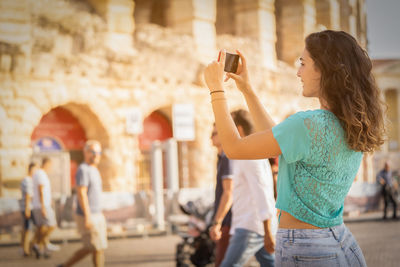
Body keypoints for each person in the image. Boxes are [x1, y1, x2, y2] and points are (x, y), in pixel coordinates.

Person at [204, 30, 385, 266]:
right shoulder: (351, 124)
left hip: (306, 248)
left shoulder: (307, 124)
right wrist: (246, 89)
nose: (298, 72)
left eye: (303, 63)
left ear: (325, 70)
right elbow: (277, 144)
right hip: (340, 241)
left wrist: (216, 90)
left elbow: (235, 148)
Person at [217, 109, 276, 267]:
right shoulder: (248, 153)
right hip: (255, 225)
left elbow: (261, 191)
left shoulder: (249, 156)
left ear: (240, 130)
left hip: (250, 226)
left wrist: (268, 230)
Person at [57, 140, 107, 267]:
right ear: (86, 152)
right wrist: (88, 216)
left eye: (98, 152)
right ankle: (65, 265)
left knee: (96, 248)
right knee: (94, 247)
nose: (96, 155)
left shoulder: (94, 169)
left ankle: (65, 265)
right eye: (93, 152)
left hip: (97, 214)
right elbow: (81, 193)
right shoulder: (83, 170)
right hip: (88, 214)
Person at [209, 124, 234, 267]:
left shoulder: (227, 158)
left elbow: (228, 192)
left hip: (229, 221)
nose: (210, 137)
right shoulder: (222, 157)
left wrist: (217, 222)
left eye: (214, 133)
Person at [31, 157, 57, 258]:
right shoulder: (41, 174)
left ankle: (39, 246)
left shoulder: (39, 174)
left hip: (41, 204)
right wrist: (43, 206)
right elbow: (40, 190)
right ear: (46, 164)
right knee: (51, 225)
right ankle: (37, 244)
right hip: (42, 205)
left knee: (41, 227)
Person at [19, 162, 38, 256]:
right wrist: (27, 208)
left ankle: (27, 247)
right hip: (28, 207)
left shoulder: (30, 180)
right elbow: (27, 195)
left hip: (29, 207)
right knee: (27, 229)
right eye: (35, 169)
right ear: (30, 169)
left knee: (27, 228)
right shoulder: (27, 180)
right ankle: (26, 249)